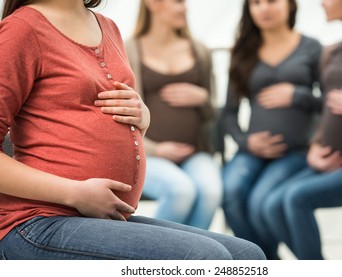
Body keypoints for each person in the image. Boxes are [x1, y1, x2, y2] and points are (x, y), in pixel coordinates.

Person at [0, 0, 265, 260]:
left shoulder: (109, 27)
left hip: (102, 218)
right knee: (207, 258)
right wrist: (74, 193)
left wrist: (142, 120)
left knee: (248, 256)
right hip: (38, 222)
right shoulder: (22, 29)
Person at [262, 0, 342, 259]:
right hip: (332, 161)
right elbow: (328, 110)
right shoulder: (333, 51)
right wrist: (315, 147)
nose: (321, 3)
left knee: (297, 197)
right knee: (272, 205)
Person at [222, 0, 322, 259]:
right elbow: (229, 113)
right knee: (230, 191)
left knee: (259, 201)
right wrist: (246, 142)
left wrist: (298, 95)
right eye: (256, 3)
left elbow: (330, 104)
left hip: (295, 152)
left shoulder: (312, 47)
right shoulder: (243, 52)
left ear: (290, 5)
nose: (264, 9)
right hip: (252, 151)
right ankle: (263, 263)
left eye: (271, 1)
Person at [124, 0, 222, 230]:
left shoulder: (199, 50)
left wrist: (202, 98)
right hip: (148, 154)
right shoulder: (130, 49)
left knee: (210, 191)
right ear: (153, 3)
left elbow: (214, 112)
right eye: (178, 2)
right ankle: (153, 257)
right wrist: (157, 149)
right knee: (180, 190)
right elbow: (124, 112)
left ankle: (192, 257)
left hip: (195, 152)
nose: (185, 8)